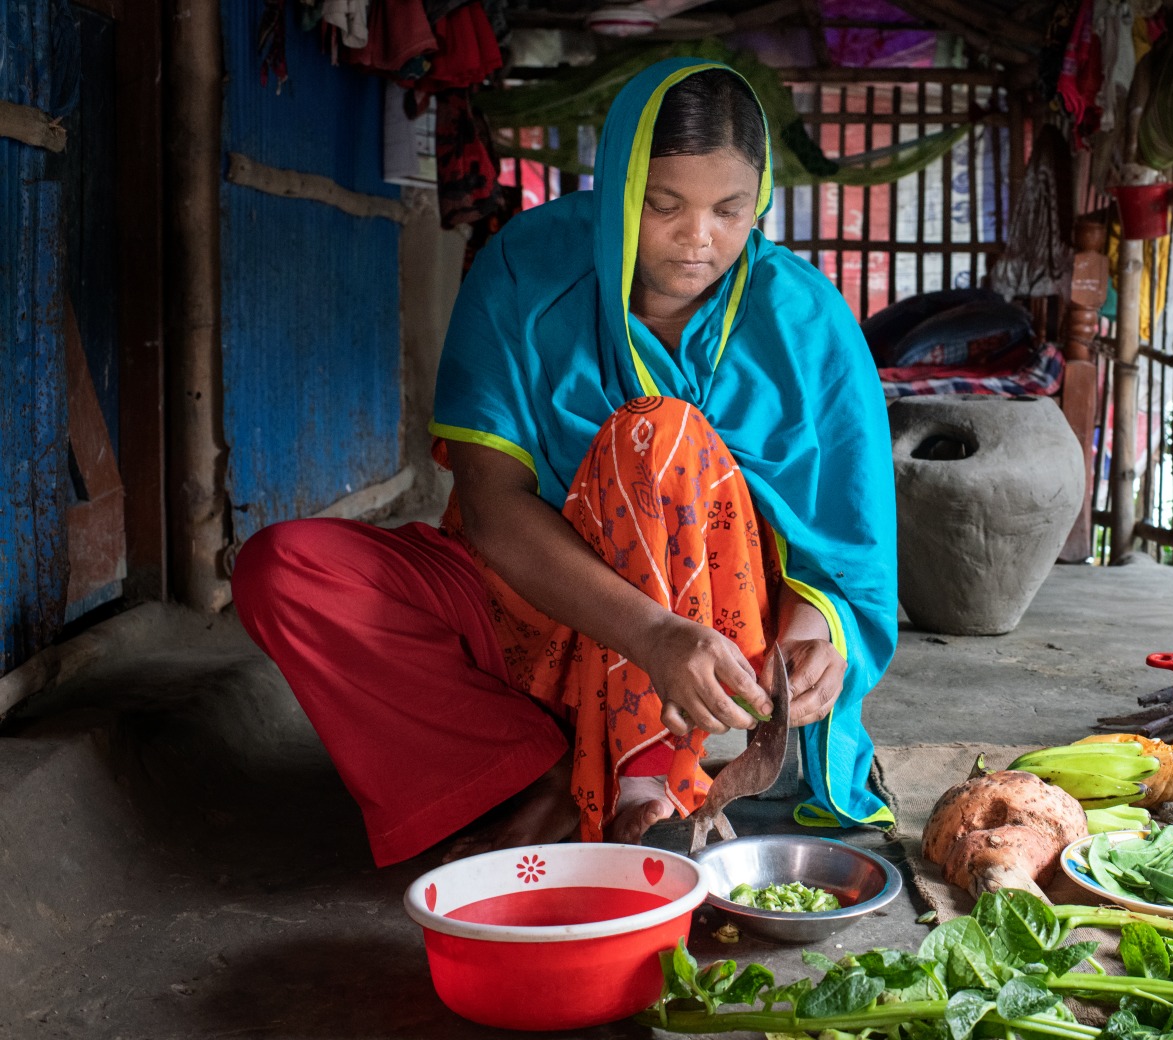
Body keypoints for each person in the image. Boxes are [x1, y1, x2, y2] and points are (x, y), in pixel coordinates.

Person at [232, 58, 898, 867]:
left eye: (730, 211)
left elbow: (843, 548)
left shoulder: (806, 321)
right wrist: (648, 634)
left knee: (659, 433)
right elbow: (490, 505)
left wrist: (811, 642)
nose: (700, 239)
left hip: (709, 647)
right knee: (286, 571)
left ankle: (646, 788)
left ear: (757, 202)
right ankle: (534, 768)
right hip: (536, 600)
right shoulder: (527, 268)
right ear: (618, 187)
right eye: (664, 206)